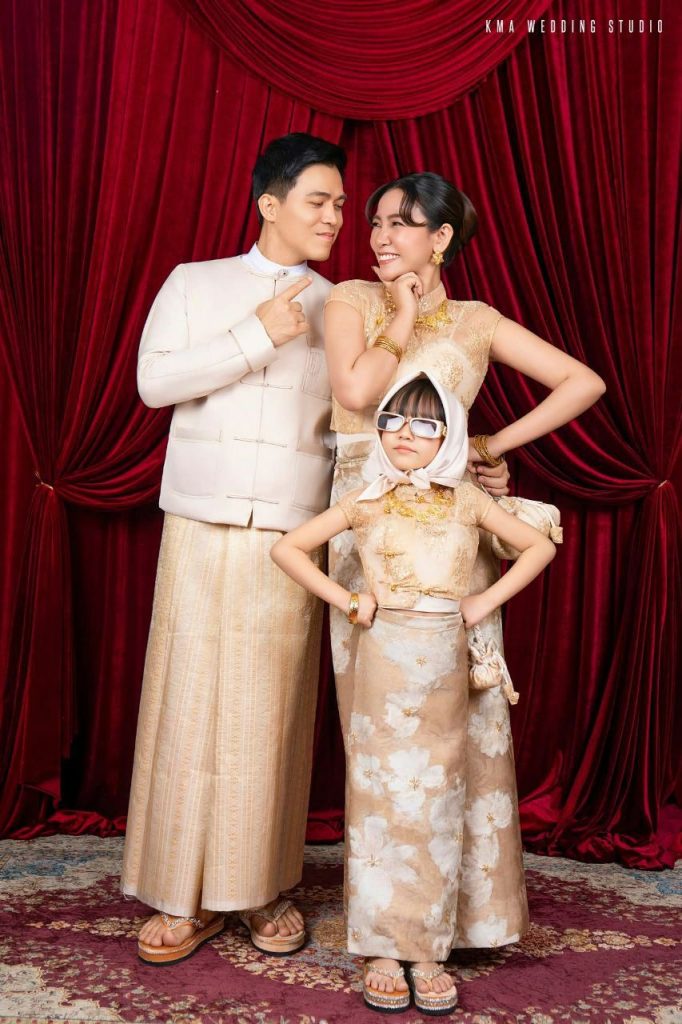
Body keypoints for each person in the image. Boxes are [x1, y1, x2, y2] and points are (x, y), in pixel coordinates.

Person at [323, 172, 605, 963]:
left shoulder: (477, 321)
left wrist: (488, 446)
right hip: (366, 528)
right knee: (379, 730)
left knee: (467, 721)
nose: (381, 237)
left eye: (402, 224)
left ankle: (471, 917)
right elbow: (355, 388)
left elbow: (583, 382)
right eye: (376, 222)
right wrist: (403, 312)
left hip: (452, 534)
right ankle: (390, 930)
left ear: (442, 238)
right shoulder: (350, 301)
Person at [120, 133, 347, 964]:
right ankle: (177, 896)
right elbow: (154, 384)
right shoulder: (195, 282)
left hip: (290, 536)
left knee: (268, 715)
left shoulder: (341, 305)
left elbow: (355, 425)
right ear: (269, 204)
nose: (334, 217)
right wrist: (255, 334)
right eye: (318, 201)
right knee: (185, 705)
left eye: (340, 205)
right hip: (197, 522)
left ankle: (259, 890)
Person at [271, 371, 557, 1014]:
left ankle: (427, 950)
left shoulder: (467, 501)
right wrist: (350, 600)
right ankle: (379, 947)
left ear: (449, 436)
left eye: (424, 424)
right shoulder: (366, 500)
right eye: (392, 421)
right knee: (378, 801)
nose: (404, 434)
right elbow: (289, 549)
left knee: (439, 800)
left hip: (445, 666)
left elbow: (537, 546)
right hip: (381, 666)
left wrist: (482, 601)